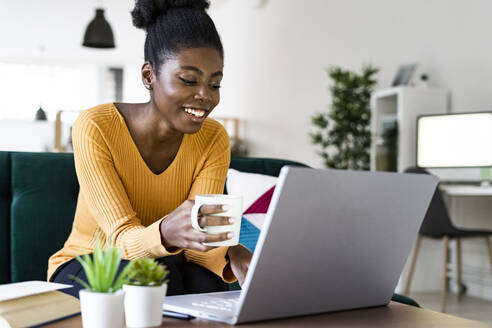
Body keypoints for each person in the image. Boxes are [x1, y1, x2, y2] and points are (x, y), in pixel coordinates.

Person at [48, 0, 252, 298]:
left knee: (210, 286)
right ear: (148, 76)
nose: (205, 96)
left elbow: (197, 244)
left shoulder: (213, 138)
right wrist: (166, 231)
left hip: (168, 264)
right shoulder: (96, 126)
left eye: (215, 84)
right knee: (148, 282)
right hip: (94, 262)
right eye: (189, 80)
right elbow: (118, 239)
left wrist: (230, 253)